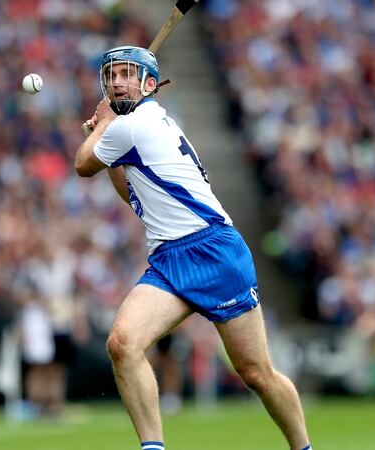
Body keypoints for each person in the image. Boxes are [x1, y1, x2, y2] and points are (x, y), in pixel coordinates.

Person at [74, 45, 312, 450]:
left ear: (150, 85)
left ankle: (303, 448)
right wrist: (106, 137)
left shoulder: (131, 126)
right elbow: (132, 194)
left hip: (214, 252)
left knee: (256, 373)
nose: (116, 82)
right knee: (123, 343)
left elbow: (82, 165)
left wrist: (101, 127)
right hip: (170, 259)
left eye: (127, 75)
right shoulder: (141, 126)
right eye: (111, 76)